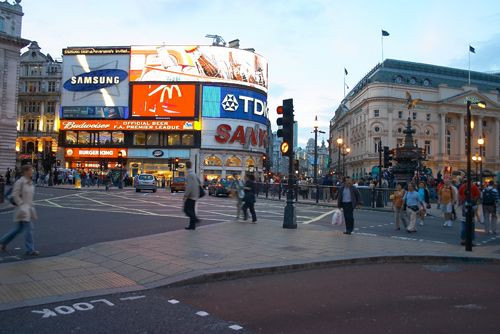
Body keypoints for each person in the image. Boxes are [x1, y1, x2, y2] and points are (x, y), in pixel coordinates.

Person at [0, 165, 39, 256]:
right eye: (30, 170)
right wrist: (21, 204)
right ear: (25, 171)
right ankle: (30, 250)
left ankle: (2, 242)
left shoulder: (30, 182)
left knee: (17, 229)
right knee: (29, 229)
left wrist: (30, 205)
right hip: (22, 209)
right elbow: (14, 195)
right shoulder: (20, 182)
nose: (32, 172)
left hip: (27, 209)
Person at [458, 178, 481, 246]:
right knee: (471, 224)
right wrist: (474, 200)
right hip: (471, 204)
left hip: (464, 205)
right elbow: (478, 195)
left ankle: (463, 240)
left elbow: (459, 195)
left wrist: (461, 202)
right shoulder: (474, 186)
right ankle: (471, 241)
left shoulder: (462, 186)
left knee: (464, 223)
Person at [183, 161, 200, 230]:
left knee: (186, 210)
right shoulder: (194, 174)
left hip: (191, 195)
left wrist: (186, 195)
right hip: (195, 194)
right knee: (192, 210)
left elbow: (189, 186)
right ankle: (192, 226)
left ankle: (196, 219)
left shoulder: (189, 174)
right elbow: (200, 182)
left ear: (186, 166)